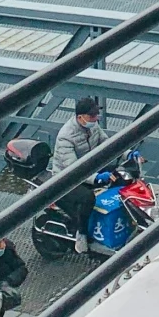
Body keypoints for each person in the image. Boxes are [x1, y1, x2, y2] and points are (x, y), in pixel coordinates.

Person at [49, 96, 106, 255]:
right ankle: (81, 234)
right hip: (66, 180)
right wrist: (97, 178)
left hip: (89, 171)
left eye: (96, 115)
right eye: (91, 116)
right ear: (80, 117)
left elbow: (107, 143)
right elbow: (74, 170)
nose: (95, 119)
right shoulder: (66, 136)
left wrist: (127, 154)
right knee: (88, 198)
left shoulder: (93, 126)